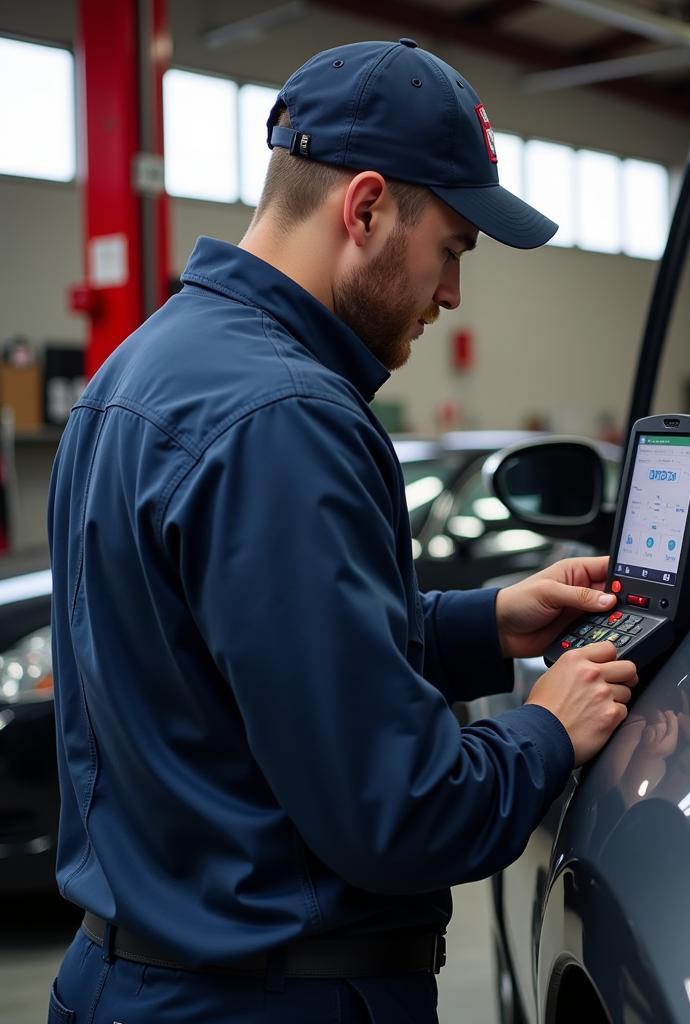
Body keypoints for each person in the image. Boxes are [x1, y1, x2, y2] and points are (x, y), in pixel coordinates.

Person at [46, 38, 638, 1023]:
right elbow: (397, 810)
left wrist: (484, 623)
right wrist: (546, 730)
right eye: (451, 249)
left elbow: (220, 665)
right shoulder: (288, 415)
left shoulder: (141, 370)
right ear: (363, 208)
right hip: (265, 1000)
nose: (452, 295)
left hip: (133, 977)